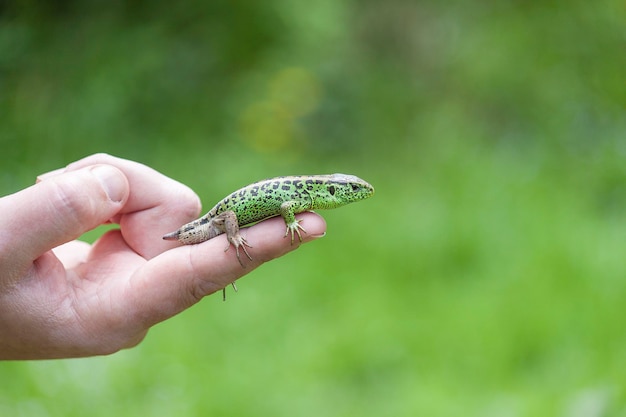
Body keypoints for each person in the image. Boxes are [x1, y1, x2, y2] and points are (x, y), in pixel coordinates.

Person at [0, 154, 326, 360]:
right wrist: (240, 233)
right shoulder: (300, 193)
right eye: (349, 190)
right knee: (216, 243)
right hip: (214, 222)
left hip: (214, 222)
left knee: (215, 250)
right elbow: (283, 209)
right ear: (329, 190)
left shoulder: (304, 190)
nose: (356, 193)